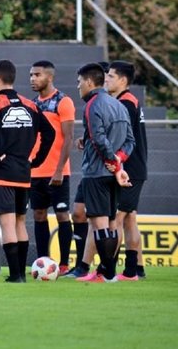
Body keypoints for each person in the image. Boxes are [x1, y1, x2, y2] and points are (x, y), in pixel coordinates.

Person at [0, 60, 55, 283]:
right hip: (24, 172)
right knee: (20, 222)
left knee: (7, 223)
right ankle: (21, 273)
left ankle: (16, 275)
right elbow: (50, 133)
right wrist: (36, 160)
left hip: (3, 174)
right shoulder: (30, 105)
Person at [74, 62, 134, 283]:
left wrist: (112, 162)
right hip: (112, 173)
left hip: (97, 173)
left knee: (99, 225)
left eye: (79, 82)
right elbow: (130, 141)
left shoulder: (92, 104)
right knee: (110, 224)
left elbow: (100, 139)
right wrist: (118, 163)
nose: (78, 86)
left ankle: (107, 274)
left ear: (89, 82)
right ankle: (105, 271)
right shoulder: (118, 105)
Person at [28, 60, 75, 275]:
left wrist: (58, 170)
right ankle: (43, 262)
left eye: (37, 75)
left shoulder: (62, 102)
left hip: (57, 173)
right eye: (31, 75)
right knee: (38, 215)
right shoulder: (31, 105)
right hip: (36, 172)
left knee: (63, 215)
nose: (32, 79)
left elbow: (68, 139)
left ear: (50, 77)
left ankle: (64, 264)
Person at [103, 60, 148, 280]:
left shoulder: (126, 103)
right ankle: (135, 268)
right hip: (134, 168)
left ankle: (114, 270)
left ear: (122, 80)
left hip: (129, 169)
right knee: (129, 219)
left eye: (110, 76)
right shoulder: (127, 100)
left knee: (117, 219)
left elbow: (123, 139)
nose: (106, 79)